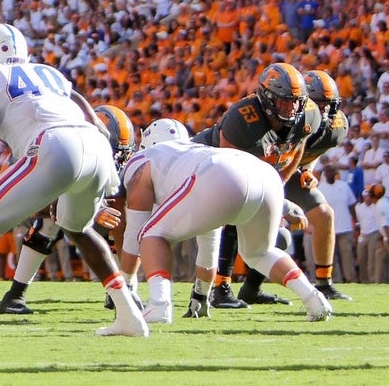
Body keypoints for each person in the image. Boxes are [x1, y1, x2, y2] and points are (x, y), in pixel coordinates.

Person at [0, 23, 148, 341]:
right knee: (77, 227)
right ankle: (129, 315)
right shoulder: (50, 74)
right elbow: (96, 123)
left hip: (52, 143)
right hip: (96, 147)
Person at [125, 118, 332, 325]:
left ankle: (159, 305)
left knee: (151, 234)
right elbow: (209, 242)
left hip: (221, 173)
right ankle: (314, 300)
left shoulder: (145, 158)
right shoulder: (192, 156)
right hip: (265, 174)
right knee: (259, 253)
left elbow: (135, 231)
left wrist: (124, 284)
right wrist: (201, 296)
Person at [195, 62, 318, 307]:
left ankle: (250, 289)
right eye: (284, 100)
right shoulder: (243, 118)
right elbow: (232, 172)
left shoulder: (309, 114)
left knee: (279, 237)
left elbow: (297, 148)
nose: (291, 107)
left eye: (295, 101)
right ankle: (219, 287)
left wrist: (278, 185)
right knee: (231, 215)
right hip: (210, 164)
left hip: (258, 174)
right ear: (267, 97)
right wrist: (278, 201)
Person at [2, 103, 136, 315]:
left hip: (91, 199)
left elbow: (127, 218)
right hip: (52, 191)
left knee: (124, 220)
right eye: (113, 153)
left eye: (121, 154)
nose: (117, 160)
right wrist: (92, 208)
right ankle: (16, 293)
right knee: (47, 223)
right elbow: (39, 204)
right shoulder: (59, 148)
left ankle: (124, 287)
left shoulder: (127, 162)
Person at [286, 70, 352, 299]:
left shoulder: (336, 125)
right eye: (319, 104)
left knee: (324, 215)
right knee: (272, 232)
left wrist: (307, 170)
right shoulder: (287, 116)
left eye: (328, 104)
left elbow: (314, 149)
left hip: (291, 172)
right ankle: (229, 283)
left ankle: (324, 282)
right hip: (268, 170)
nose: (324, 110)